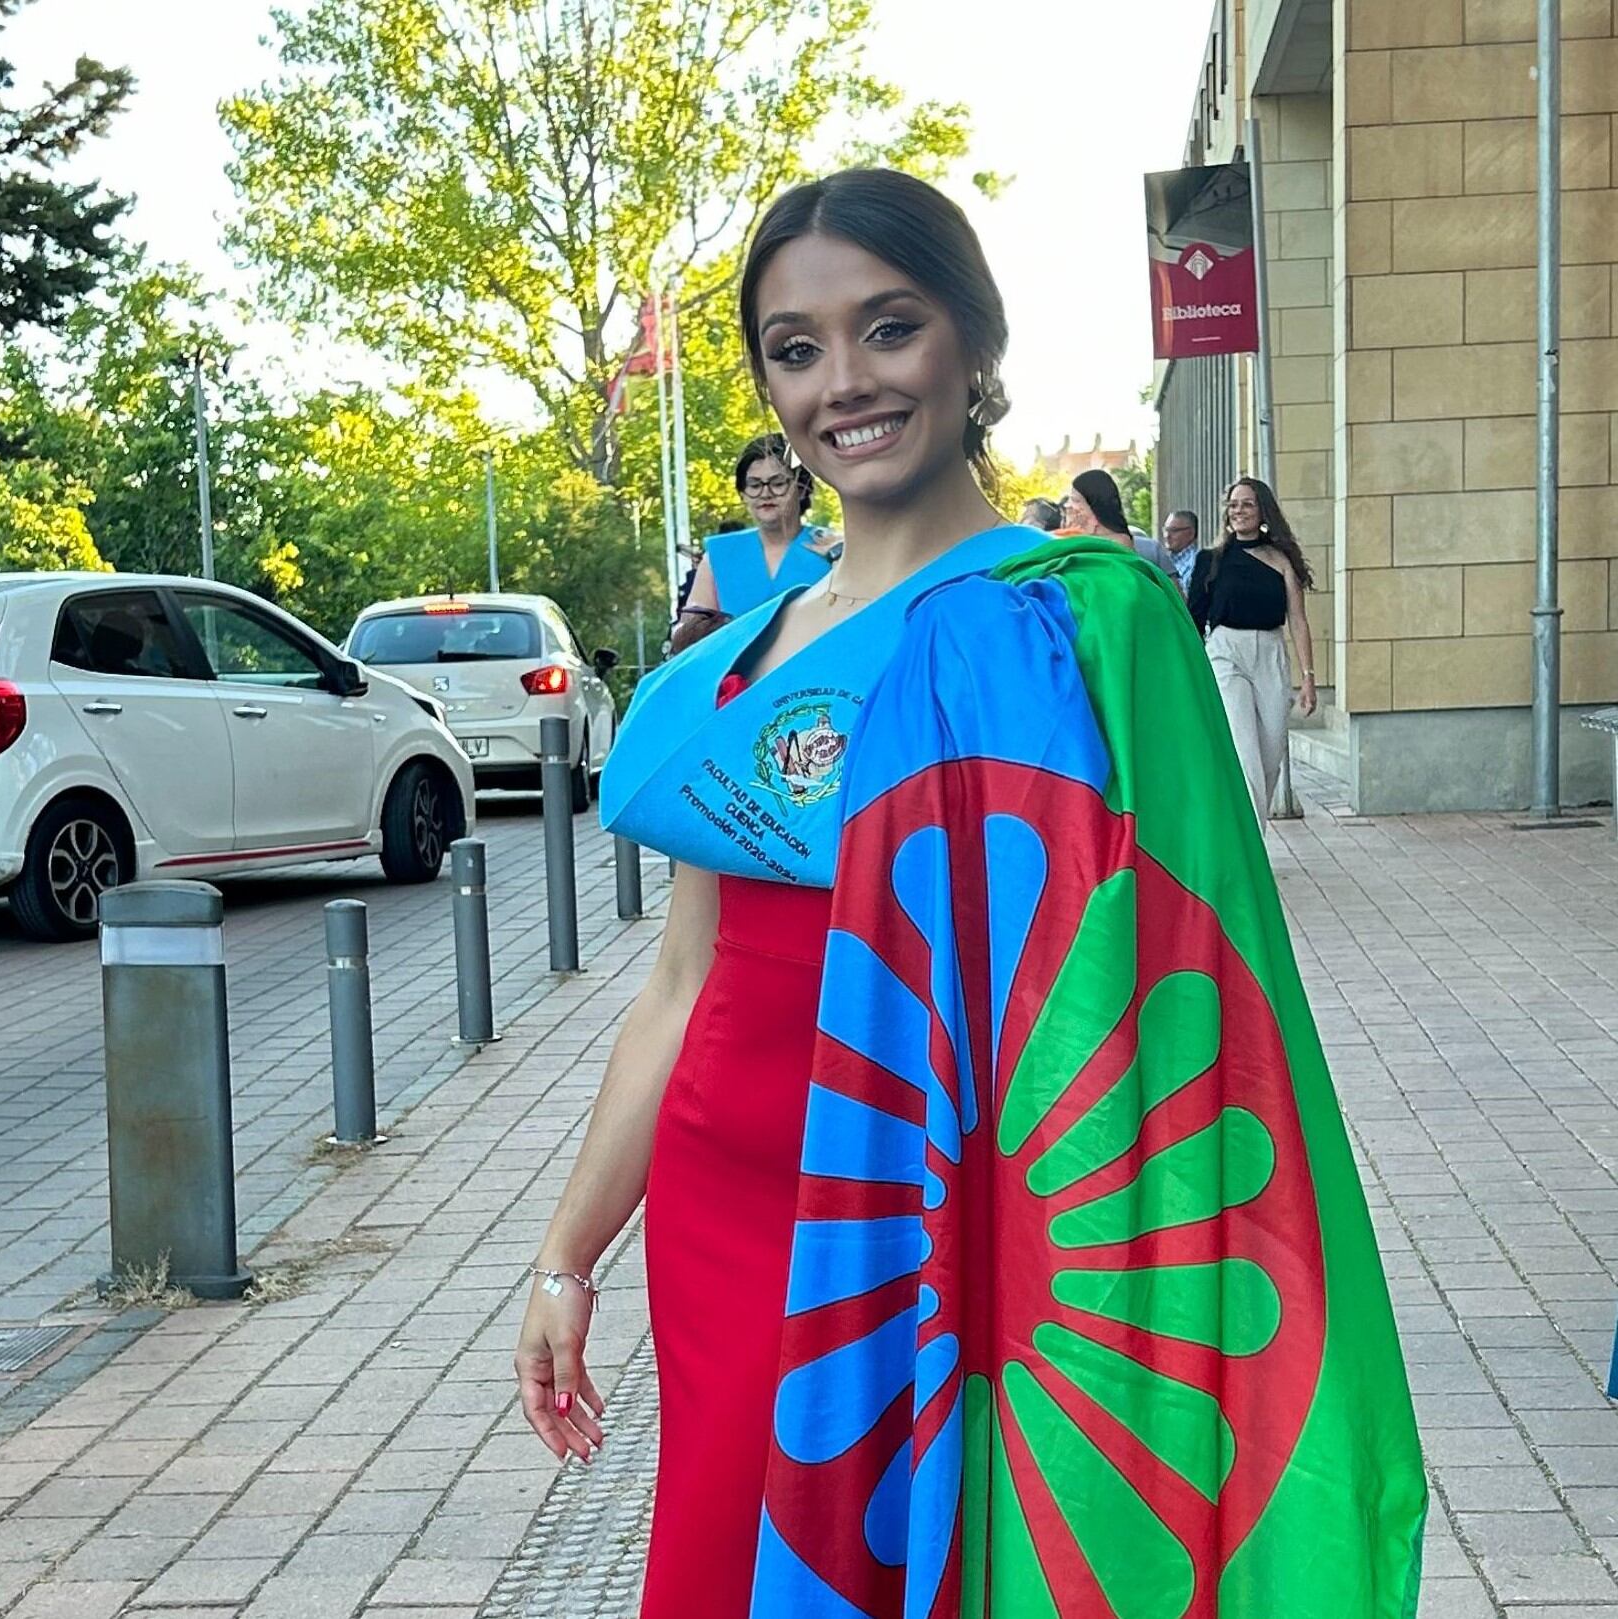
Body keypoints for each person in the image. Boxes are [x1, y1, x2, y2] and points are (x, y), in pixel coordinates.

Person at [515, 168, 1423, 1618]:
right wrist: (568, 1255)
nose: (844, 384)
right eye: (796, 349)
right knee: (730, 1558)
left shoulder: (1085, 617)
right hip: (730, 1208)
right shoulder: (738, 665)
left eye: (889, 328)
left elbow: (1183, 987)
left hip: (962, 1215)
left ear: (976, 344)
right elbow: (682, 984)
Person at [1187, 475, 1318, 828]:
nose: (1239, 511)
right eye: (1233, 504)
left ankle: (1250, 832)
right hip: (1226, 652)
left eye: (1247, 504)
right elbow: (1193, 621)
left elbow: (1298, 620)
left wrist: (1308, 678)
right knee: (1245, 752)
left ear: (1262, 510)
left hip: (1271, 652)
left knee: (1271, 754)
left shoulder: (1281, 561)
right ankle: (1254, 846)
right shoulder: (1210, 561)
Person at [670, 435, 835, 653]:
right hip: (736, 682)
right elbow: (688, 635)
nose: (765, 493)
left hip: (815, 678)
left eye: (778, 483)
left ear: (802, 488)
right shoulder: (719, 555)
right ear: (742, 493)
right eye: (754, 485)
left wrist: (841, 555)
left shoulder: (834, 549)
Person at [1061, 468, 1176, 579]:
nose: (1068, 506)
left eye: (1076, 500)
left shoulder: (1129, 547)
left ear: (1094, 506)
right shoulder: (1072, 544)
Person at [1162, 507, 1202, 596]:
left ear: (1191, 533)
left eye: (1174, 530)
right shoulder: (1164, 558)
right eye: (1166, 530)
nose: (1167, 535)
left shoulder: (1197, 563)